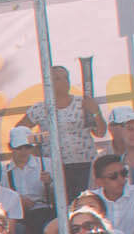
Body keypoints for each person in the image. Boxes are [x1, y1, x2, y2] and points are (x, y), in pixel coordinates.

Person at [22, 64, 106, 197]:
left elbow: (100, 133)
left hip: (85, 164)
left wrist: (95, 112)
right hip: (56, 167)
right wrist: (36, 147)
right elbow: (19, 131)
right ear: (47, 83)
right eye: (57, 78)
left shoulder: (83, 103)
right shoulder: (39, 108)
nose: (64, 82)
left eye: (66, 78)